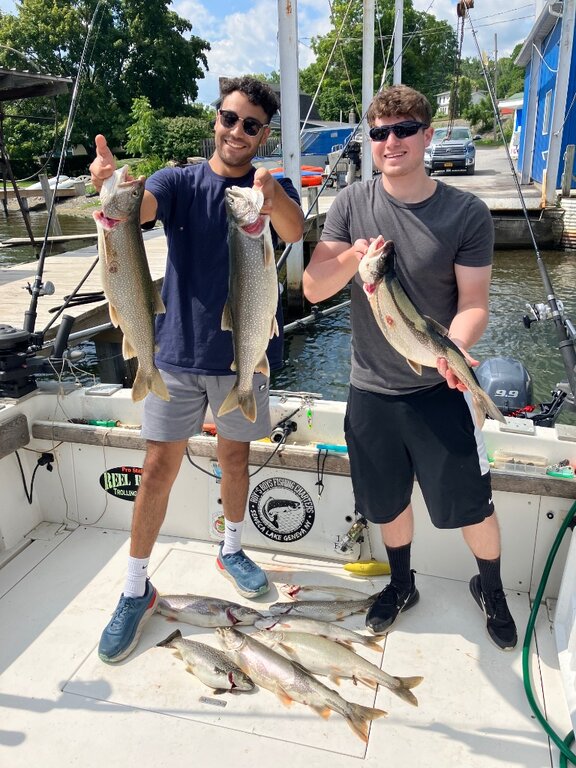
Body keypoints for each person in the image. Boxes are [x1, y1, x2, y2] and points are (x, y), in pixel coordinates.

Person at [91, 76, 304, 663]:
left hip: (247, 352)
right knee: (158, 464)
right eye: (230, 119)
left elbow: (293, 230)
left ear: (264, 134)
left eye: (251, 125)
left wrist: (272, 194)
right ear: (217, 119)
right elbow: (142, 207)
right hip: (176, 352)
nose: (237, 132)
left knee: (235, 456)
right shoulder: (181, 180)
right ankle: (136, 587)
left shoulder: (270, 188)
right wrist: (114, 188)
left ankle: (231, 548)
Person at [303, 84, 517, 651]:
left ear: (427, 135)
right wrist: (355, 256)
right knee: (388, 499)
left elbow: (473, 304)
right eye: (379, 132)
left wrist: (457, 352)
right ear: (370, 140)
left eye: (403, 130)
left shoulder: (465, 212)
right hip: (370, 389)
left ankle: (490, 588)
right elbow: (313, 287)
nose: (390, 142)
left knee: (472, 502)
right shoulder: (350, 204)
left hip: (439, 388)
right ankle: (402, 584)